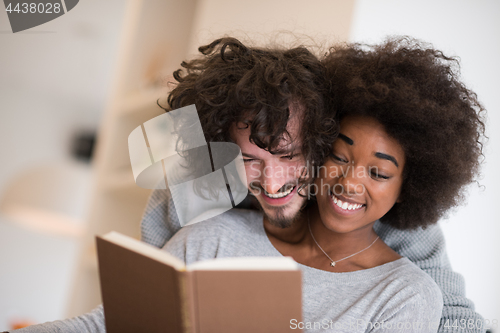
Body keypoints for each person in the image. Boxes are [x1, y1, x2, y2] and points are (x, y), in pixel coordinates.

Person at [10, 37, 485, 332]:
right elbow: (123, 315)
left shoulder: (408, 261)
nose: (273, 180)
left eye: (287, 154)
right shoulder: (205, 213)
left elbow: (456, 320)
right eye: (250, 160)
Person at [161, 37, 486, 332]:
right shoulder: (207, 227)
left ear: (410, 188)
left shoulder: (407, 288)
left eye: (379, 173)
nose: (349, 183)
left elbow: (455, 316)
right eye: (340, 157)